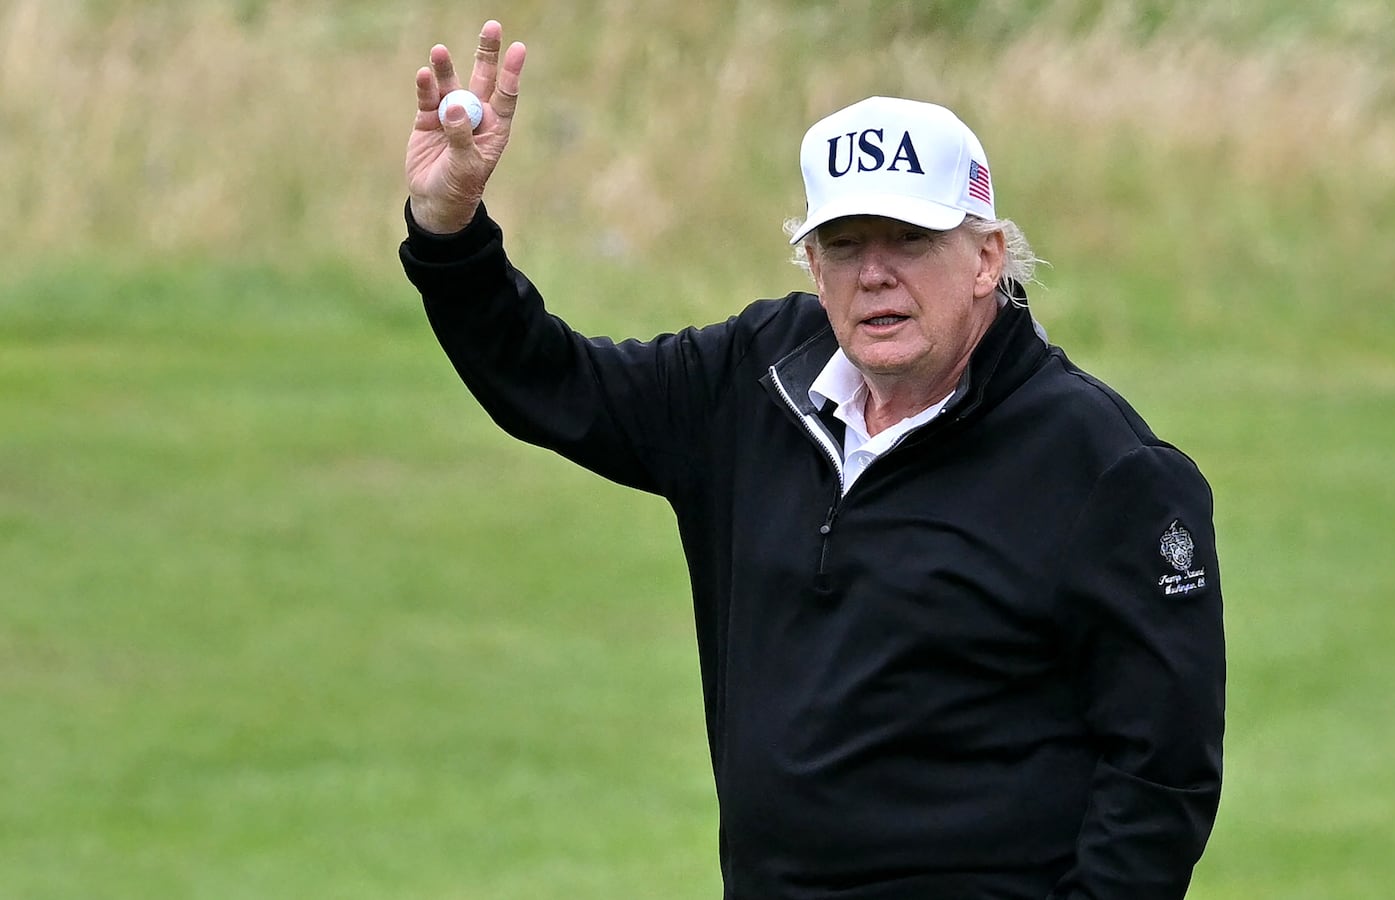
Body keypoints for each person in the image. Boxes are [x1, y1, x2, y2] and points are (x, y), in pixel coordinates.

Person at [400, 20, 1225, 900]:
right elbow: (554, 384)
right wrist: (450, 233)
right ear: (811, 264)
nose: (874, 274)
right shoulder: (754, 379)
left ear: (987, 258)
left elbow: (1160, 780)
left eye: (910, 240)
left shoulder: (1106, 470)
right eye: (843, 244)